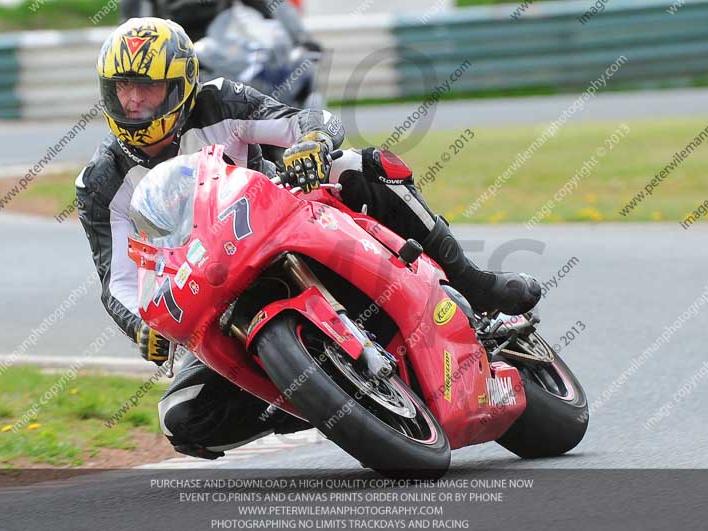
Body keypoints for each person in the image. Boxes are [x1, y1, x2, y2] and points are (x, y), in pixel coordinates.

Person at [76, 17, 541, 460]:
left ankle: (473, 282)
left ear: (181, 88)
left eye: (148, 87)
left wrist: (313, 142)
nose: (134, 101)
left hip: (278, 228)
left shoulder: (219, 102)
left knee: (358, 166)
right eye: (123, 88)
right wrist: (142, 326)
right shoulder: (99, 183)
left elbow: (301, 119)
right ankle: (317, 396)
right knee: (184, 417)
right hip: (210, 292)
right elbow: (116, 280)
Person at [120, 0, 317, 48]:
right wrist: (131, 43)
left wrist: (300, 37)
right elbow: (132, 20)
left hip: (221, 55)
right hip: (168, 56)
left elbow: (271, 4)